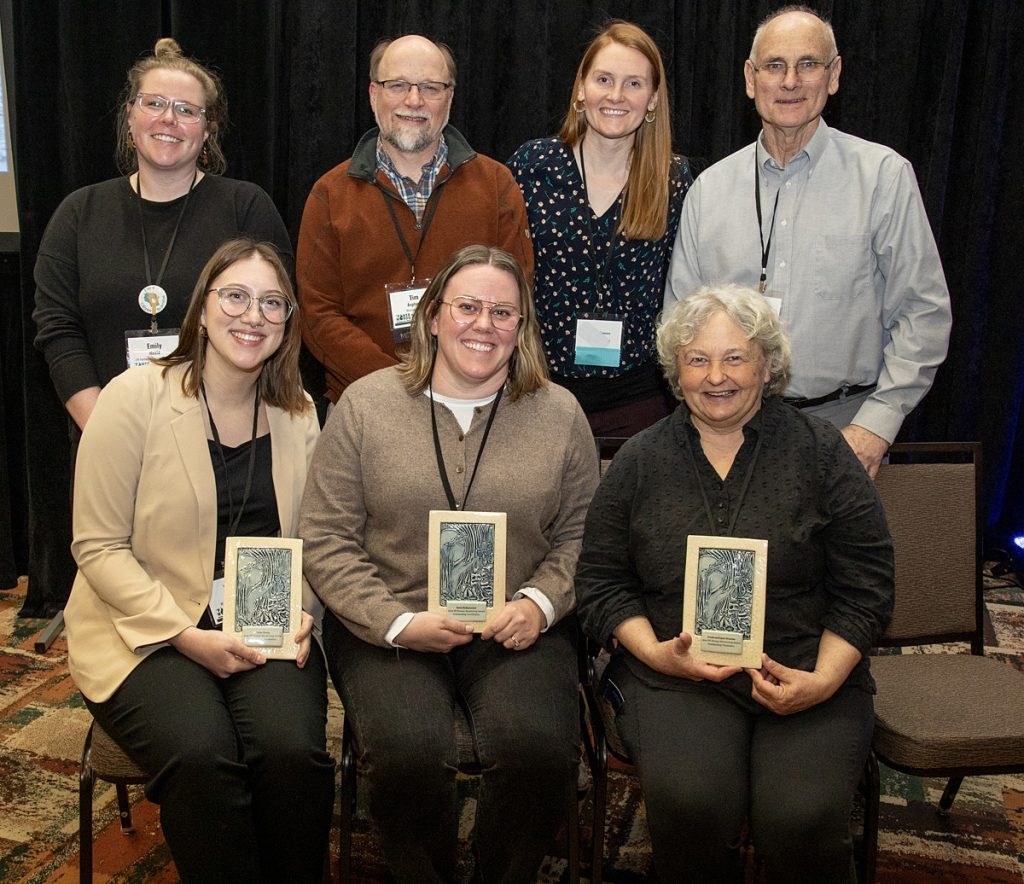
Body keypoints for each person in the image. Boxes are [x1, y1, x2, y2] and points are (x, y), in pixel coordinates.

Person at [575, 284, 894, 881]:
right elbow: (601, 582)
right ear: (676, 372)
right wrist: (656, 654)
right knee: (695, 804)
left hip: (803, 667)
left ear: (767, 365)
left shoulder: (822, 453)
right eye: (698, 359)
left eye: (735, 358)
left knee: (799, 818)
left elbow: (867, 585)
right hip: (674, 677)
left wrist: (823, 680)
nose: (716, 376)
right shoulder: (639, 460)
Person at [299, 245, 598, 883]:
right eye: (467, 307)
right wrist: (395, 623)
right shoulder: (364, 406)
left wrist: (539, 605)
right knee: (406, 752)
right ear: (433, 317)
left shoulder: (559, 414)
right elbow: (326, 537)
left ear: (522, 326)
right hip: (390, 623)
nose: (483, 324)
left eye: (502, 312)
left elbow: (582, 535)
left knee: (539, 751)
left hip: (516, 624)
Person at [63, 239, 333, 883]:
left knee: (292, 753)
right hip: (143, 626)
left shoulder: (297, 411)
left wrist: (305, 611)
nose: (253, 315)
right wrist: (185, 635)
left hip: (263, 616)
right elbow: (97, 545)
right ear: (203, 308)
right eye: (235, 296)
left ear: (288, 321)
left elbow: (314, 538)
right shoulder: (134, 397)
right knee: (201, 753)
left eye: (272, 303)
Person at [665, 6, 951, 477]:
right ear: (751, 79)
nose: (790, 81)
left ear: (833, 76)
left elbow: (924, 314)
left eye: (808, 64)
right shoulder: (708, 191)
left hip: (846, 431)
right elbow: (680, 325)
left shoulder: (883, 178)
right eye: (775, 66)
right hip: (728, 434)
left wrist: (876, 426)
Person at [33, 37, 293, 434]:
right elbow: (58, 330)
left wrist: (213, 432)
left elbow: (273, 320)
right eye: (154, 103)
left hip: (223, 440)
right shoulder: (78, 213)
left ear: (207, 131)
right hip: (106, 434)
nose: (168, 119)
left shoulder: (246, 208)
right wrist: (109, 431)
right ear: (129, 117)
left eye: (187, 110)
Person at [297, 35, 534, 404]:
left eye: (430, 87)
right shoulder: (330, 194)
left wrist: (450, 384)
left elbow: (513, 298)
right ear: (373, 94)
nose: (413, 100)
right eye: (398, 85)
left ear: (449, 98)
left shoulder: (497, 186)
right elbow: (318, 314)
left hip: (473, 399)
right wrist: (399, 386)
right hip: (365, 401)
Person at [508, 20, 691, 436]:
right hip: (538, 392)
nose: (616, 95)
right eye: (604, 79)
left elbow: (684, 291)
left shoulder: (673, 179)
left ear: (653, 99)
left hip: (638, 400)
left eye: (633, 84)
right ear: (580, 89)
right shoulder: (533, 167)